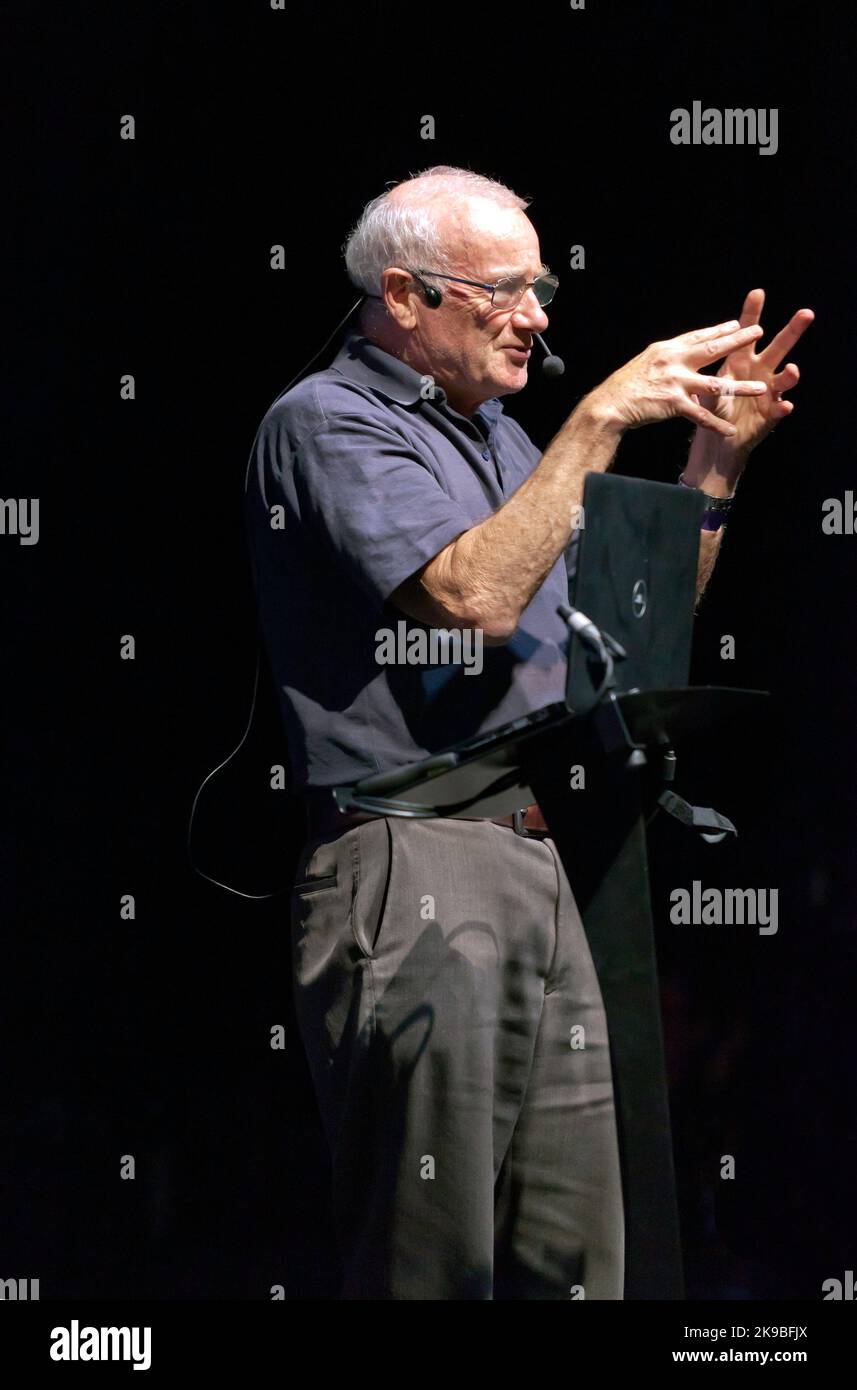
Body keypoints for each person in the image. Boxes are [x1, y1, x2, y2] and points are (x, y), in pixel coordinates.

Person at [245, 166, 812, 1299]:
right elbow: (469, 602)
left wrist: (713, 466)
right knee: (430, 1258)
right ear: (403, 295)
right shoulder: (326, 421)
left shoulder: (505, 440)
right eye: (504, 289)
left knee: (575, 1261)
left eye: (539, 284)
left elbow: (627, 630)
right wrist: (600, 415)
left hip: (548, 854)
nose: (538, 315)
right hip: (416, 855)